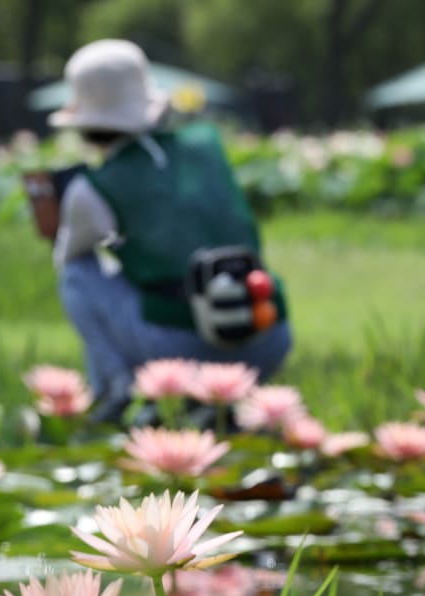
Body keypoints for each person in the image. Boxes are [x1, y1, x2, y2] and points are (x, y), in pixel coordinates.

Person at [46, 40, 293, 423]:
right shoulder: (207, 146)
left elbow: (68, 255)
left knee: (77, 276)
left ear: (85, 122)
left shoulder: (92, 187)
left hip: (175, 351)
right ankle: (221, 409)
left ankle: (118, 394)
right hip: (268, 335)